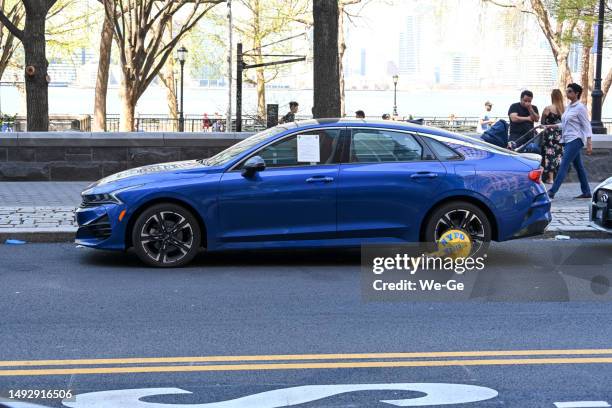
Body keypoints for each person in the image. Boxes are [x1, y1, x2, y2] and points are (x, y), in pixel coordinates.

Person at [544, 83, 592, 199]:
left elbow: (587, 125)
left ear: (577, 93)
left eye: (570, 91)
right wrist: (553, 126)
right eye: (567, 91)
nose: (567, 93)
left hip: (575, 139)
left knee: (563, 165)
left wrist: (589, 143)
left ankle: (552, 191)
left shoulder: (580, 108)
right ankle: (586, 192)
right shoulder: (569, 107)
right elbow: (565, 124)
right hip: (568, 139)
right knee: (579, 166)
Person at [540, 89, 565, 184]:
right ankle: (559, 177)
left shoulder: (548, 108)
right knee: (559, 155)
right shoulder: (564, 109)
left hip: (549, 135)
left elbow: (542, 123)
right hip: (560, 135)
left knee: (550, 155)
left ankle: (550, 178)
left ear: (552, 97)